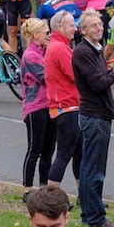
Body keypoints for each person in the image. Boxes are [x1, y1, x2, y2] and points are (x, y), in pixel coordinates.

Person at [72, 9, 114, 227]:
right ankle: (94, 217)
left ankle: (93, 212)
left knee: (94, 167)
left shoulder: (93, 49)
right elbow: (98, 83)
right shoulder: (83, 51)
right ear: (83, 30)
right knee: (93, 169)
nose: (99, 28)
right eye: (94, 25)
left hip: (98, 115)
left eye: (100, 24)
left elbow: (99, 77)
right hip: (94, 116)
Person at [43, 10, 83, 189]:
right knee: (64, 153)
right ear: (59, 27)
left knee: (78, 154)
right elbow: (77, 75)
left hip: (69, 106)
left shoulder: (60, 45)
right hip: (66, 106)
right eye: (71, 25)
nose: (75, 28)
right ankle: (51, 195)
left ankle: (84, 195)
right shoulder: (59, 48)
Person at [19, 18, 55, 190]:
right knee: (35, 148)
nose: (49, 35)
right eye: (46, 32)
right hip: (35, 107)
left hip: (50, 105)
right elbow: (46, 77)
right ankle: (27, 189)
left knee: (48, 149)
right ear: (35, 35)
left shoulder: (45, 51)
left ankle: (44, 188)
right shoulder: (30, 55)